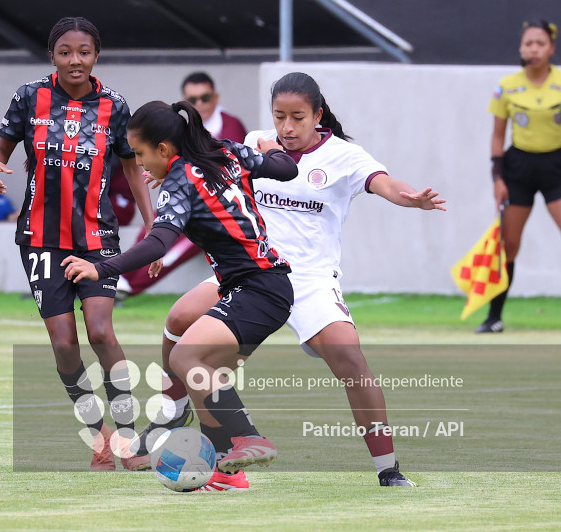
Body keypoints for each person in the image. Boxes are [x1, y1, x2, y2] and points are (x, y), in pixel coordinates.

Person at [134, 72, 445, 491]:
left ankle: (387, 468)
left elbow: (384, 183)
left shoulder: (344, 157)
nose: (287, 127)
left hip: (311, 279)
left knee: (350, 360)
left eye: (297, 117)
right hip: (252, 269)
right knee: (181, 321)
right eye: (280, 116)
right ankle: (186, 427)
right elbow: (212, 177)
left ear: (317, 115)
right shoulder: (261, 141)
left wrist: (408, 198)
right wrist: (172, 177)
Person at [62, 99, 298, 478]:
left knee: (186, 359)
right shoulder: (224, 151)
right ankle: (224, 471)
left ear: (163, 149)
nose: (138, 164)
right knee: (197, 365)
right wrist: (269, 148)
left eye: (140, 154)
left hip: (258, 288)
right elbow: (287, 168)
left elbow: (158, 244)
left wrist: (100, 267)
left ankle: (249, 437)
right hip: (260, 285)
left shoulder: (180, 180)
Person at [0, 17, 156, 471]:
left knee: (100, 332)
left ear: (96, 55)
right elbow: (1, 148)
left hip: (97, 238)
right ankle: (98, 435)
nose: (74, 60)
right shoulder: (29, 97)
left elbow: (133, 168)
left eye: (83, 51)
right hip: (40, 241)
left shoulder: (116, 107)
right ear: (52, 56)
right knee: (64, 344)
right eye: (65, 51)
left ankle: (128, 436)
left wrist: (151, 223)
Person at [476, 20, 561, 334]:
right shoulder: (507, 86)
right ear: (521, 48)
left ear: (551, 48)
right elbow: (497, 137)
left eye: (539, 43)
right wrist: (498, 177)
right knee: (509, 244)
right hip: (518, 168)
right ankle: (493, 317)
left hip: (557, 168)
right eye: (527, 44)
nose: (533, 49)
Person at [116, 72, 249, 300]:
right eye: (193, 100)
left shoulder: (231, 126)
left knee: (186, 239)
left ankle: (128, 287)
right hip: (188, 197)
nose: (200, 104)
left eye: (204, 98)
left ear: (215, 98)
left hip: (220, 209)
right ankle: (121, 276)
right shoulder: (180, 128)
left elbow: (234, 168)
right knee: (158, 222)